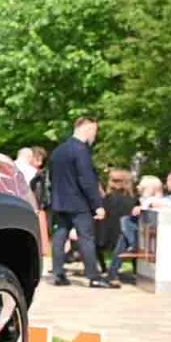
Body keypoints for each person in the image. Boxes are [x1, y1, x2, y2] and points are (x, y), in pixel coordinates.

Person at [48, 116, 110, 288]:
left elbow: (52, 177)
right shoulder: (81, 151)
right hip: (79, 203)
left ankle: (58, 274)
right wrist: (97, 205)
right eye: (94, 131)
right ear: (87, 128)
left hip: (60, 201)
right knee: (86, 238)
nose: (94, 135)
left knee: (59, 237)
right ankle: (93, 276)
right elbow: (87, 179)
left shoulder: (58, 151)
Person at [99, 169, 137, 285]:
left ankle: (108, 271)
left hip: (104, 238)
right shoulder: (134, 201)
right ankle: (134, 270)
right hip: (125, 238)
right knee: (128, 236)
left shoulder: (107, 199)